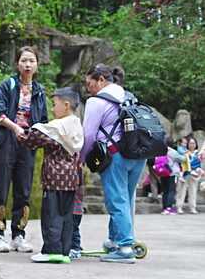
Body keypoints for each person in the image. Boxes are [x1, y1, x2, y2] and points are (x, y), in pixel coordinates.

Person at [81, 64, 146, 264]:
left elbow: (88, 134)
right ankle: (114, 241)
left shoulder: (96, 101)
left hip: (115, 155)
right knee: (124, 198)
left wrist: (82, 159)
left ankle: (125, 247)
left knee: (117, 201)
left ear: (101, 80)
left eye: (89, 83)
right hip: (138, 155)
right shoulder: (127, 95)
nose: (88, 87)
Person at [0, 46, 48, 253]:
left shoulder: (39, 91)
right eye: (24, 61)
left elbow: (43, 121)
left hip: (27, 145)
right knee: (1, 189)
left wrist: (35, 135)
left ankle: (19, 234)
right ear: (17, 64)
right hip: (7, 142)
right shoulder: (8, 85)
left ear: (37, 64)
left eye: (32, 61)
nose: (28, 64)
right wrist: (15, 128)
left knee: (24, 190)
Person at [19, 87, 83, 264]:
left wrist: (18, 130)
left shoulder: (56, 127)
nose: (52, 109)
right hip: (71, 179)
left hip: (55, 178)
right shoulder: (76, 124)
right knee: (66, 216)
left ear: (66, 104)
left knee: (51, 215)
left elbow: (31, 139)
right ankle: (64, 251)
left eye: (55, 105)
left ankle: (51, 251)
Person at [176, 136, 203, 214]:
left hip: (194, 175)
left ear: (196, 144)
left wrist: (198, 170)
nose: (192, 145)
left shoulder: (197, 154)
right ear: (187, 144)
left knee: (193, 191)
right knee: (181, 191)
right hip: (184, 174)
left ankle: (192, 207)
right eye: (190, 143)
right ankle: (179, 207)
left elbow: (198, 165)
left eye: (193, 143)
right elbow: (181, 163)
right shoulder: (183, 152)